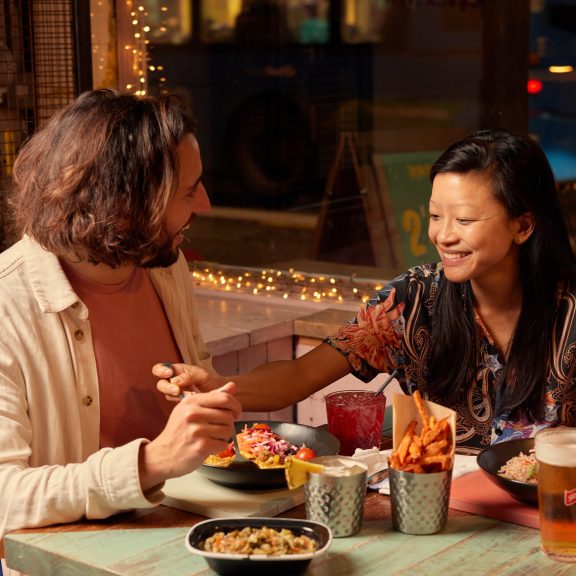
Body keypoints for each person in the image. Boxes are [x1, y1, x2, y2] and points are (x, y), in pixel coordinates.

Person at [156, 129, 576, 455]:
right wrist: (219, 384)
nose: (443, 236)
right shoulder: (412, 300)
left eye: (464, 220)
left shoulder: (569, 310)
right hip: (444, 508)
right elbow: (300, 376)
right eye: (434, 216)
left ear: (522, 225)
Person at [0, 89, 241, 542]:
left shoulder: (166, 268)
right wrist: (150, 463)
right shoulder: (7, 305)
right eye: (188, 191)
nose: (205, 204)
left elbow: (190, 433)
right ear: (126, 204)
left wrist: (204, 409)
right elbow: (5, 498)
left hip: (184, 540)